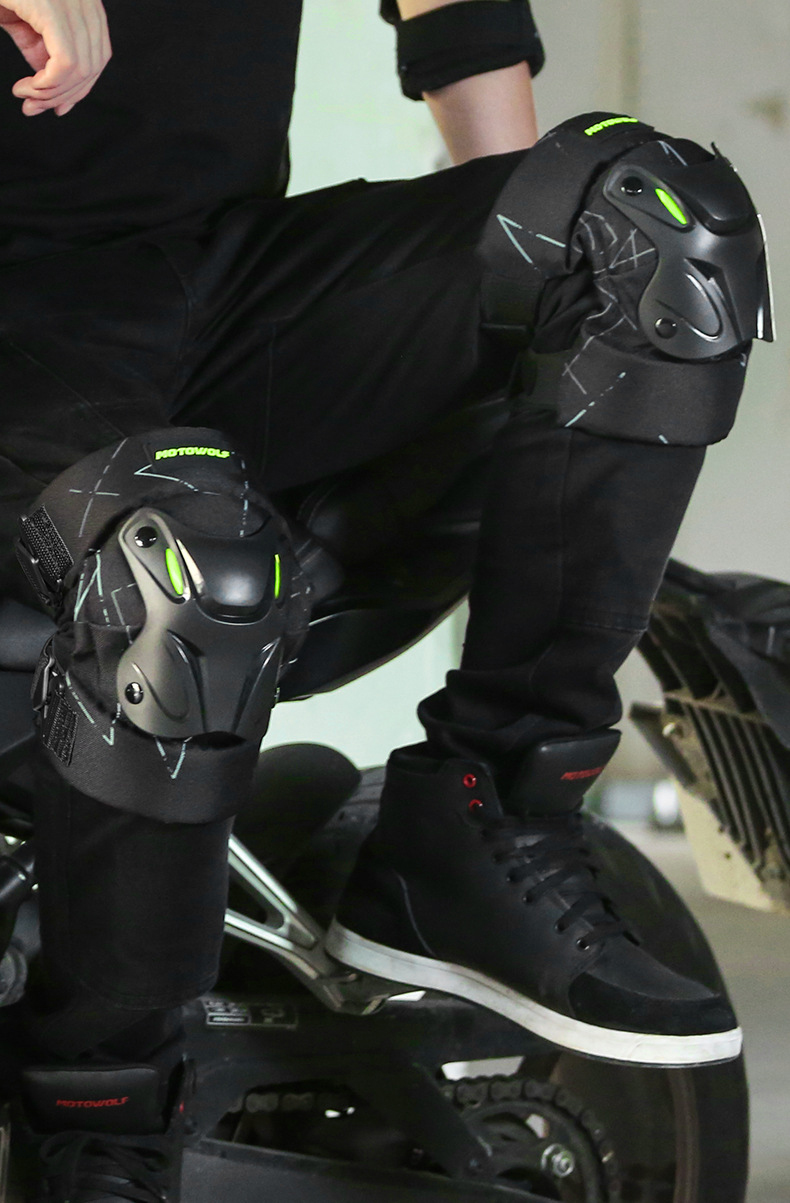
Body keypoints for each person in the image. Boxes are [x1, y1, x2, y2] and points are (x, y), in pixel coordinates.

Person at [0, 0, 771, 1198]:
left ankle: (485, 818)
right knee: (186, 567)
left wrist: (529, 275)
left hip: (223, 275)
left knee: (646, 226)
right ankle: (99, 1118)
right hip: (27, 319)